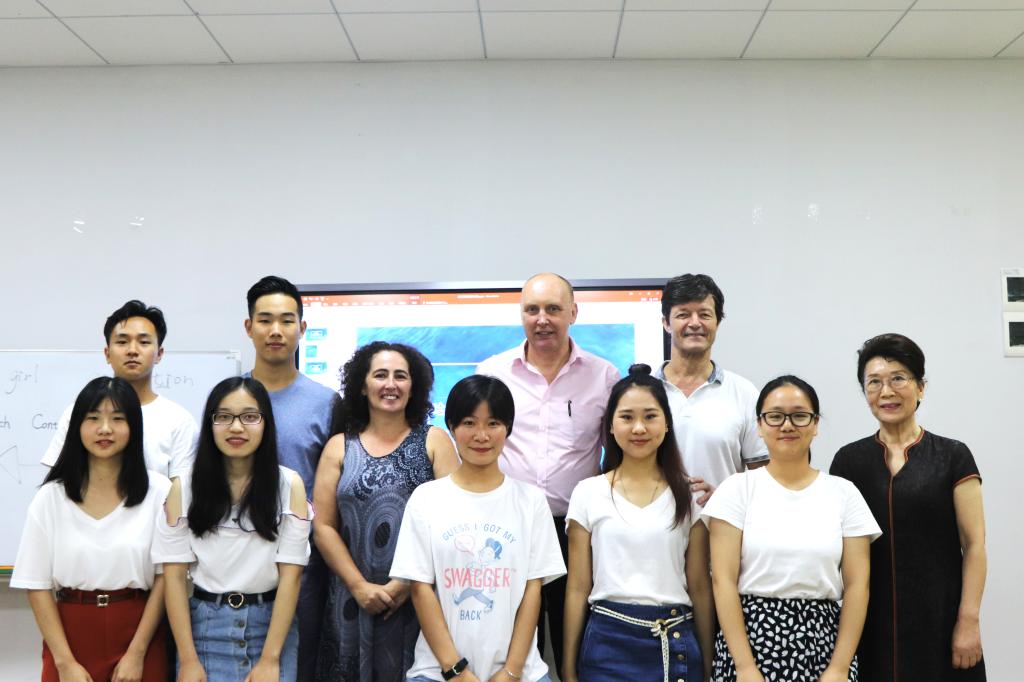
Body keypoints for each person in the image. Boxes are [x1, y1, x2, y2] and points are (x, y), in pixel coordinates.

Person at [475, 273, 618, 673]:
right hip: (507, 528)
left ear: (573, 313)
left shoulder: (604, 376)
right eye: (532, 310)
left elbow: (617, 456)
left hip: (576, 530)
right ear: (521, 314)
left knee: (576, 644)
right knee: (511, 649)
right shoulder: (492, 372)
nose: (542, 319)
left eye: (553, 309)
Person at [830, 334, 987, 681]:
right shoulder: (848, 461)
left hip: (941, 619)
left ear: (920, 388)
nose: (886, 392)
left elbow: (974, 545)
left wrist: (968, 620)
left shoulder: (953, 456)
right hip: (870, 623)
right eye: (874, 382)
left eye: (898, 378)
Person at [703, 375, 880, 682]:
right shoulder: (736, 489)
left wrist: (840, 668)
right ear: (759, 426)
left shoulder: (844, 493)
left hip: (825, 644)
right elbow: (723, 582)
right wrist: (744, 667)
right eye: (775, 416)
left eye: (799, 416)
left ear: (815, 424)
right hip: (751, 641)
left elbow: (857, 586)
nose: (787, 425)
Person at [390, 375, 566, 682]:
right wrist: (455, 670)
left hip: (521, 673)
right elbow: (420, 589)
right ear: (451, 426)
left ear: (508, 428)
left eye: (493, 423)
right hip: (438, 671)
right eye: (469, 423)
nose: (481, 435)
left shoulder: (531, 501)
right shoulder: (427, 498)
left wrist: (511, 672)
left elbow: (532, 591)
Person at [313, 341, 458, 681]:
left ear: (414, 386)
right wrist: (359, 586)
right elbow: (324, 527)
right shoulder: (339, 447)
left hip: (419, 598)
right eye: (380, 375)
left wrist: (406, 583)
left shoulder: (435, 441)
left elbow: (452, 522)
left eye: (400, 376)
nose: (390, 384)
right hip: (350, 599)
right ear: (363, 386)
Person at [12, 377, 171, 682]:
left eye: (118, 419)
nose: (105, 429)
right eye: (93, 418)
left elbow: (167, 578)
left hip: (140, 633)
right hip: (70, 635)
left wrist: (137, 654)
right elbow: (36, 584)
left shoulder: (159, 492)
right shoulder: (51, 497)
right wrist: (64, 663)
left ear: (134, 427)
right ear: (77, 427)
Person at [562, 364, 713, 682]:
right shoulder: (588, 492)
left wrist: (710, 663)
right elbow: (577, 587)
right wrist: (568, 666)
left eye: (650, 416)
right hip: (606, 643)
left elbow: (699, 585)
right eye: (627, 417)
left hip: (675, 640)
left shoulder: (689, 495)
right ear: (611, 426)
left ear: (667, 424)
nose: (639, 428)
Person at [155, 376, 311, 682]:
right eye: (224, 417)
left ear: (266, 424)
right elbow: (173, 578)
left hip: (271, 629)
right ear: (210, 423)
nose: (236, 427)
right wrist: (188, 660)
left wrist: (270, 659)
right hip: (203, 628)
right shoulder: (183, 488)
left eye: (249, 417)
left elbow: (291, 577)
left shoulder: (289, 485)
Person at [245, 275, 339, 681]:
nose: (276, 331)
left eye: (286, 321)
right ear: (249, 327)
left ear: (302, 328)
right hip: (236, 564)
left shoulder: (326, 403)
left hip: (304, 567)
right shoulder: (230, 399)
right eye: (265, 320)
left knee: (299, 668)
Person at [41, 299, 199, 480]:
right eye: (122, 342)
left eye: (144, 342)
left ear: (159, 354)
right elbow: (58, 482)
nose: (132, 350)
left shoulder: (179, 420)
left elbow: (180, 491)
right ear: (107, 353)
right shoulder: (79, 412)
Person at [655, 274, 768, 502]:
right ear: (666, 323)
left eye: (705, 314)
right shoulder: (643, 392)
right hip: (651, 522)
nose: (695, 323)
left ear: (717, 323)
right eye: (683, 314)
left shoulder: (744, 393)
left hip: (721, 523)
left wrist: (725, 500)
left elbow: (763, 477)